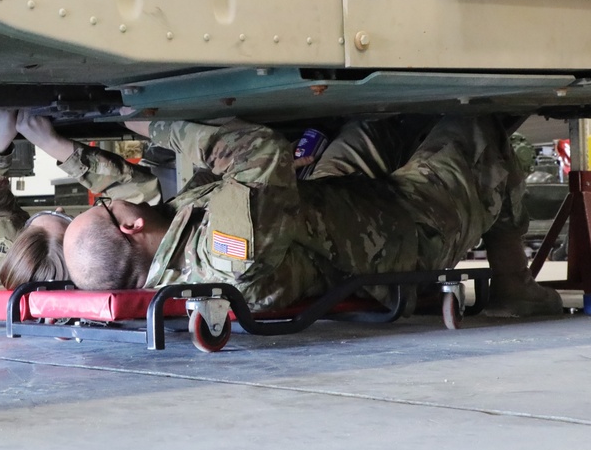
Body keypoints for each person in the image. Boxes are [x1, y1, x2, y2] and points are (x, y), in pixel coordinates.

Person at [62, 114, 563, 317]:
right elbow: (261, 152)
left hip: (339, 211)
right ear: (129, 227)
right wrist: (165, 126)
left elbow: (136, 186)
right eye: (107, 208)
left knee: (378, 121)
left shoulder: (173, 250)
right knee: (475, 123)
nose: (110, 198)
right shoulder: (221, 260)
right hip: (401, 235)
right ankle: (513, 283)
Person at [0, 110, 162, 288]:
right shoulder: (110, 263)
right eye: (69, 223)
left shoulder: (23, 261)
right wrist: (53, 144)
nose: (60, 209)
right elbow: (142, 196)